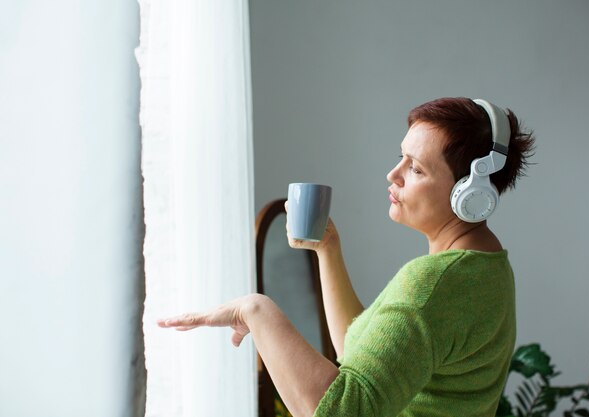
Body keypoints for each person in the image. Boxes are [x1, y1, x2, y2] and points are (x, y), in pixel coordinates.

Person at [158, 97, 535, 417]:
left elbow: (341, 410)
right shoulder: (487, 266)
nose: (393, 174)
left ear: (468, 193)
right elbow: (363, 360)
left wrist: (255, 311)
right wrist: (328, 250)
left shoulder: (432, 284)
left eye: (416, 168)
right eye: (401, 157)